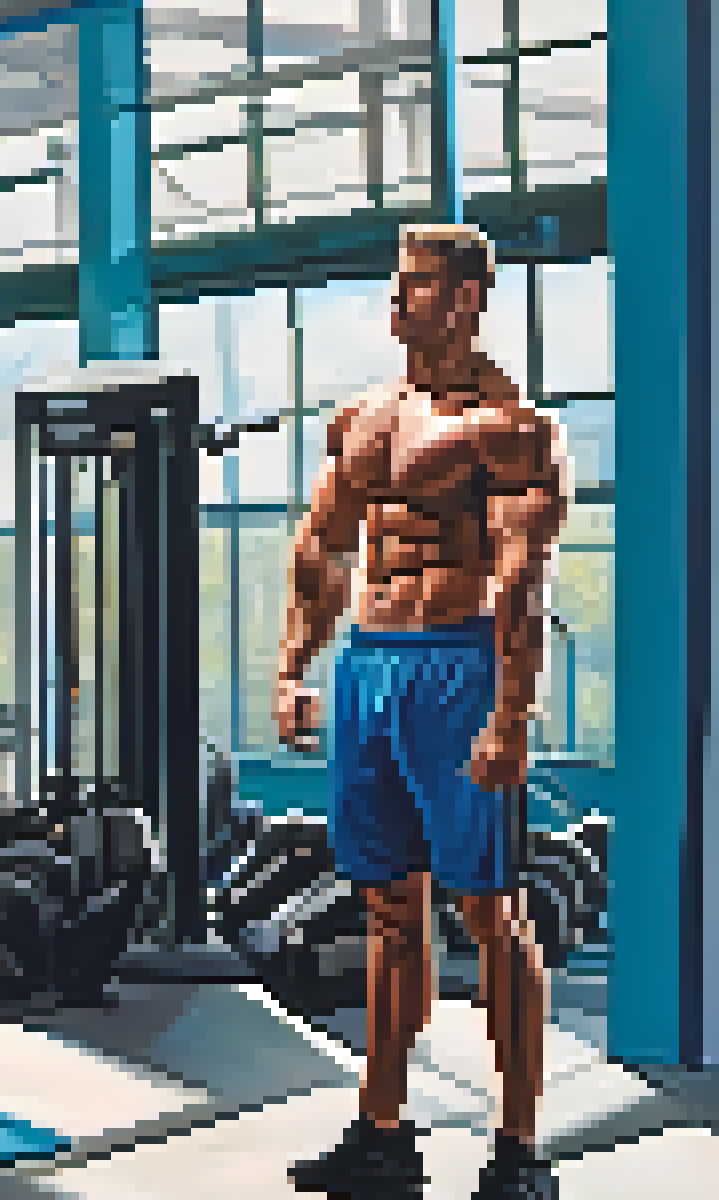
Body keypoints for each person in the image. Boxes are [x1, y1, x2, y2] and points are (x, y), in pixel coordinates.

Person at [278, 225, 565, 1200]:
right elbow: (320, 545)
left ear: (469, 298)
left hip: (457, 668)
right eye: (396, 286)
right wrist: (294, 664)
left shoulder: (511, 431)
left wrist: (511, 714)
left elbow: (524, 583)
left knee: (489, 910)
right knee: (389, 908)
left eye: (418, 288)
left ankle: (521, 1149)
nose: (397, 304)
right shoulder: (364, 416)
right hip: (369, 666)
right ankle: (384, 1129)